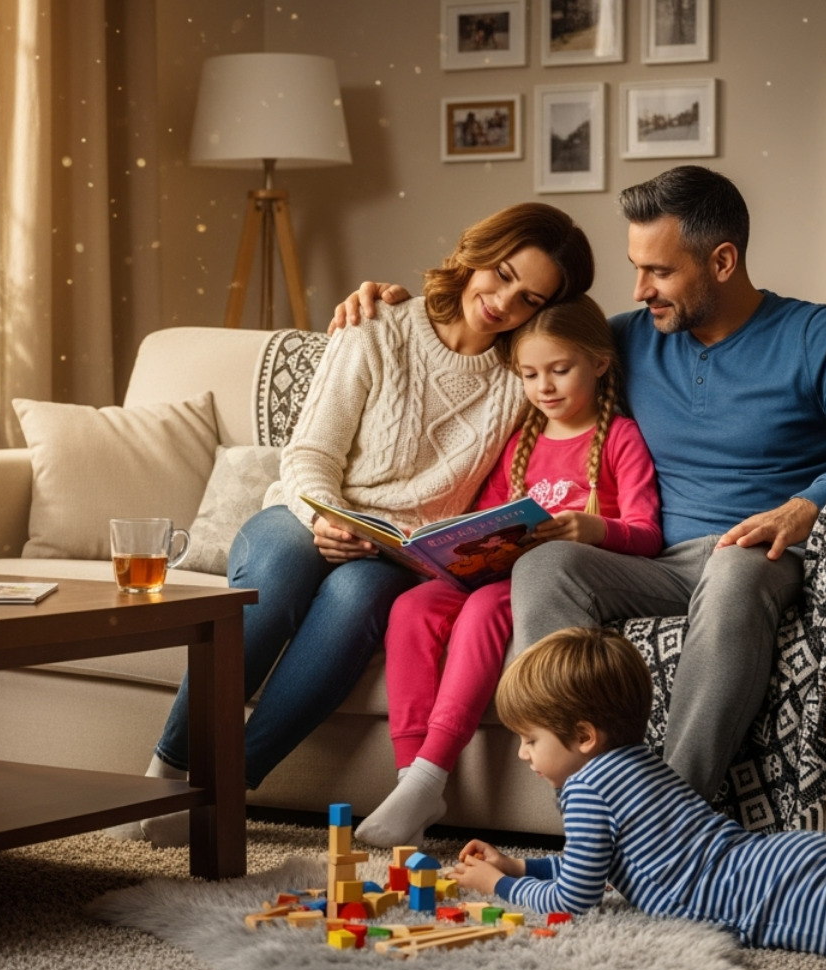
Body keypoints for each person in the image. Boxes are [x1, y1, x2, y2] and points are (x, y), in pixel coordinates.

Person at [329, 166, 826, 801]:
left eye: (660, 271)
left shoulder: (817, 336)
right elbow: (516, 339)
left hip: (765, 558)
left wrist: (806, 506)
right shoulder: (625, 339)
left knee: (735, 566)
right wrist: (398, 306)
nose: (640, 288)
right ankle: (589, 807)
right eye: (636, 267)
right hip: (660, 563)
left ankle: (672, 817)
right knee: (547, 567)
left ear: (723, 260)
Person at [116, 202, 595, 847]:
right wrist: (324, 517)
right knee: (284, 569)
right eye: (502, 274)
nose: (503, 302)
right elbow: (310, 454)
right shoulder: (378, 324)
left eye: (529, 297)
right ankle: (167, 770)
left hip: (392, 556)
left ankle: (226, 784)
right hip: (303, 510)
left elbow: (598, 347)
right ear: (478, 252)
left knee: (356, 597)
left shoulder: (525, 374)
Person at [450, 627, 826, 963]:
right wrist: (524, 861)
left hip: (775, 899)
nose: (524, 755)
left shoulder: (585, 791)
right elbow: (597, 864)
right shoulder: (641, 766)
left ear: (582, 737)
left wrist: (500, 885)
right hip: (790, 859)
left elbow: (575, 900)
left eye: (530, 740)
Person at [354, 296, 662, 848]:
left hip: (555, 580)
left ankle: (432, 771)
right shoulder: (522, 441)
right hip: (497, 572)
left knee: (482, 609)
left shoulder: (619, 437)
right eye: (529, 374)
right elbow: (488, 518)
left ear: (598, 362)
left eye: (559, 370)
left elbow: (647, 530)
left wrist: (597, 529)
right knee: (413, 606)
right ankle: (411, 781)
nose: (544, 386)